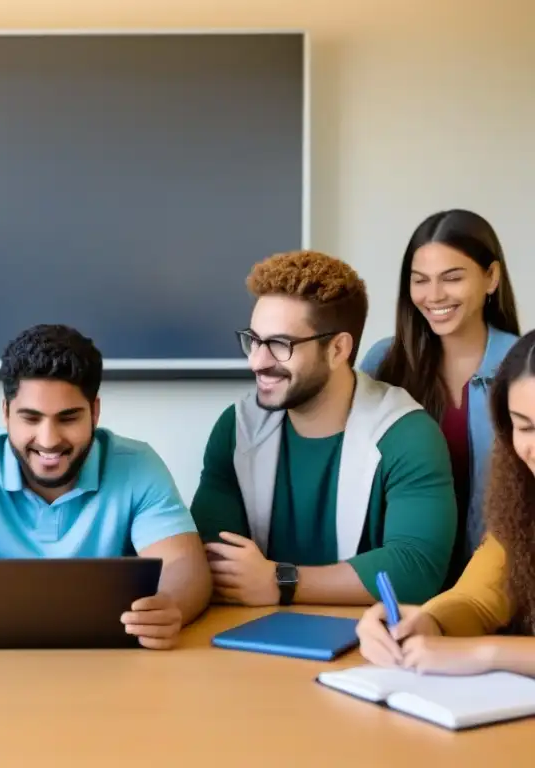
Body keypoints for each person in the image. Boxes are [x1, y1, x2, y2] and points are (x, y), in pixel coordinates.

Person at [0, 324, 212, 649]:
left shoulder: (137, 466)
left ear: (94, 412)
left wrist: (172, 605)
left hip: (108, 665)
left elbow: (185, 566)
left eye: (68, 418)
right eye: (30, 418)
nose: (49, 440)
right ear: (6, 413)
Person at [190, 250, 457, 607]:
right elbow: (214, 559)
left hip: (369, 645)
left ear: (337, 349)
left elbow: (415, 570)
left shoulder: (407, 434)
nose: (257, 361)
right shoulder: (236, 428)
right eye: (253, 340)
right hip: (249, 634)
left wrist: (282, 581)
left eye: (280, 345)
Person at [356, 330, 535, 676]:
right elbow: (477, 600)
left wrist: (486, 653)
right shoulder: (524, 510)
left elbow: (482, 646)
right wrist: (428, 623)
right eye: (525, 428)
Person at [360, 209, 520, 583]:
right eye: (420, 281)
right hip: (400, 583)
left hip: (498, 586)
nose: (433, 296)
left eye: (452, 278)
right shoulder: (383, 362)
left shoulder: (522, 366)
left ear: (491, 277)